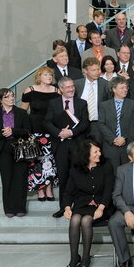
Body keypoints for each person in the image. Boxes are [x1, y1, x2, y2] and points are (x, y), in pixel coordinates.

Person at [62, 140, 113, 267]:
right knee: (74, 219)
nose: (99, 154)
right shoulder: (76, 169)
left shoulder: (106, 166)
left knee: (85, 221)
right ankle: (74, 259)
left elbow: (109, 190)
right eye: (95, 151)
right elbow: (68, 192)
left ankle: (85, 259)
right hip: (82, 204)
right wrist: (67, 207)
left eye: (99, 150)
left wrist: (101, 207)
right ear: (86, 154)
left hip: (101, 205)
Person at [45, 77, 90, 218]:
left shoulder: (82, 103)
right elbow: (47, 122)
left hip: (77, 144)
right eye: (68, 87)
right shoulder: (53, 103)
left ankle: (79, 207)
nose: (71, 89)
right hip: (61, 145)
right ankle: (64, 208)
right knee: (63, 177)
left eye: (72, 86)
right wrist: (59, 133)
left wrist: (71, 132)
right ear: (61, 89)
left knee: (79, 176)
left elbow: (85, 123)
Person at [0, 88, 31, 217]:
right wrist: (3, 133)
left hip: (20, 148)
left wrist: (13, 131)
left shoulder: (22, 113)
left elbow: (28, 131)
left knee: (21, 179)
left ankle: (20, 208)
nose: (11, 98)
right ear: (0, 100)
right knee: (7, 179)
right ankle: (9, 209)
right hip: (3, 149)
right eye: (7, 97)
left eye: (12, 96)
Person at [21, 67, 60, 200]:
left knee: (49, 160)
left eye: (50, 74)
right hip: (34, 131)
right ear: (39, 76)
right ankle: (40, 190)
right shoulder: (30, 90)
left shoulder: (56, 91)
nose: (49, 76)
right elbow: (23, 113)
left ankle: (49, 188)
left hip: (51, 131)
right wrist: (26, 131)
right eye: (46, 74)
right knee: (37, 161)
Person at [98, 77, 134, 170]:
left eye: (126, 87)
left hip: (128, 145)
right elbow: (101, 124)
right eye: (122, 87)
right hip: (110, 146)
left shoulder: (133, 104)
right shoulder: (104, 105)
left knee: (127, 174)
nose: (125, 90)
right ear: (114, 89)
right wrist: (113, 139)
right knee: (111, 174)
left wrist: (124, 137)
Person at [74, 57, 111, 144]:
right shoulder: (77, 84)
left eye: (98, 69)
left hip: (97, 124)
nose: (97, 72)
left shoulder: (105, 84)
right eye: (93, 70)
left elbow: (109, 104)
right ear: (85, 71)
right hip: (80, 124)